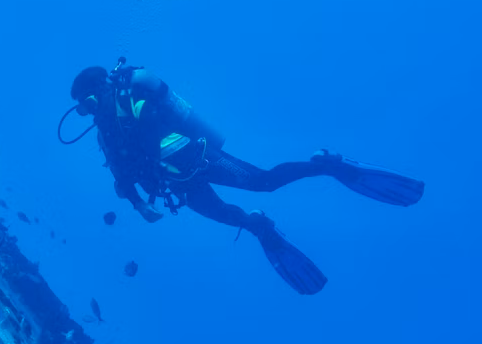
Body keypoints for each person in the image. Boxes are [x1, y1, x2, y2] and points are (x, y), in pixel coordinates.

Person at [60, 58, 425, 295]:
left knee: (263, 182)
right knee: (228, 215)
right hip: (180, 186)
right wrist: (140, 205)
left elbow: (159, 119)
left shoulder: (128, 96)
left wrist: (146, 181)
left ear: (98, 91)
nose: (87, 112)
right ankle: (260, 227)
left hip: (199, 159)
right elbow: (122, 178)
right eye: (83, 109)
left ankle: (329, 164)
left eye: (86, 104)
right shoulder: (104, 133)